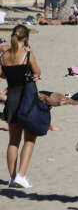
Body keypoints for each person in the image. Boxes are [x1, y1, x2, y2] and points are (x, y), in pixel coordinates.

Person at [1, 24, 42, 188]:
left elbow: (2, 74)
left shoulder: (4, 56)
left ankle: (11, 178)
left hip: (12, 98)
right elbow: (38, 72)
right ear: (25, 39)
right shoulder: (27, 54)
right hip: (27, 98)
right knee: (30, 139)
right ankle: (21, 175)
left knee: (13, 141)